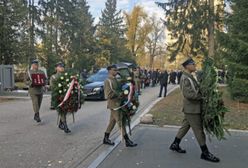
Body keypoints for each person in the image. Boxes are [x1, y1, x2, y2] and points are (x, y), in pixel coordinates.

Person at [169, 58, 220, 163]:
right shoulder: (185, 78)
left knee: (185, 126)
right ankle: (205, 153)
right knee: (199, 130)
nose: (195, 65)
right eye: (193, 64)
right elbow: (188, 94)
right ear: (187, 66)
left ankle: (175, 144)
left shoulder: (190, 77)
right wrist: (202, 96)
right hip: (192, 109)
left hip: (191, 108)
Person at [103, 65, 137, 147]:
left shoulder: (115, 79)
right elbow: (108, 95)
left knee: (112, 121)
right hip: (114, 105)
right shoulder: (108, 81)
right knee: (121, 122)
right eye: (114, 70)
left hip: (119, 103)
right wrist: (120, 94)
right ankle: (127, 141)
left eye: (116, 70)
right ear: (109, 71)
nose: (116, 71)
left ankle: (105, 138)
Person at [50, 62, 71, 133]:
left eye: (62, 66)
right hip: (58, 96)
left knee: (64, 111)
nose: (62, 68)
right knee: (62, 110)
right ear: (56, 68)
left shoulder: (66, 76)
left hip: (66, 96)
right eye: (60, 66)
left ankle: (60, 123)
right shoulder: (53, 77)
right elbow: (52, 87)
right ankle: (65, 126)